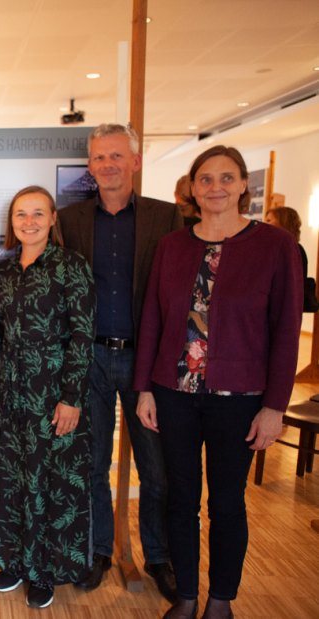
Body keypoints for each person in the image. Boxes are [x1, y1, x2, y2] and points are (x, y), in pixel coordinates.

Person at [134, 145, 302, 619]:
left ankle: (221, 600)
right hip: (175, 395)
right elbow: (153, 319)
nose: (216, 188)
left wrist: (275, 406)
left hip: (241, 399)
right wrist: (146, 387)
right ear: (192, 187)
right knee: (179, 498)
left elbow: (287, 330)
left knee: (227, 503)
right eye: (206, 179)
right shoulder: (172, 245)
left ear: (243, 185)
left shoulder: (274, 246)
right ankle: (186, 594)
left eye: (226, 179)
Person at [58, 123, 182, 600]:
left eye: (115, 156)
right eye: (98, 158)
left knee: (156, 469)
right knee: (89, 464)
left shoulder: (166, 218)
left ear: (134, 161)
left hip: (144, 361)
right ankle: (97, 552)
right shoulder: (69, 221)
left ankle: (159, 557)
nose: (106, 165)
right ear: (89, 166)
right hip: (87, 358)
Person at [0, 186, 95, 609]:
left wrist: (72, 397)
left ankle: (44, 570)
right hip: (8, 396)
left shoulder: (71, 267)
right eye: (20, 215)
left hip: (52, 397)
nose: (28, 222)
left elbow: (83, 336)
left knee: (49, 482)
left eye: (36, 214)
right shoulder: (4, 272)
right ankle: (13, 561)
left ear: (52, 219)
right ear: (11, 223)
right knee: (11, 479)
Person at [265, 206, 316, 312]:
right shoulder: (273, 248)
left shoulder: (294, 249)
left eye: (269, 220)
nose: (265, 224)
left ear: (283, 222)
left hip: (283, 310)